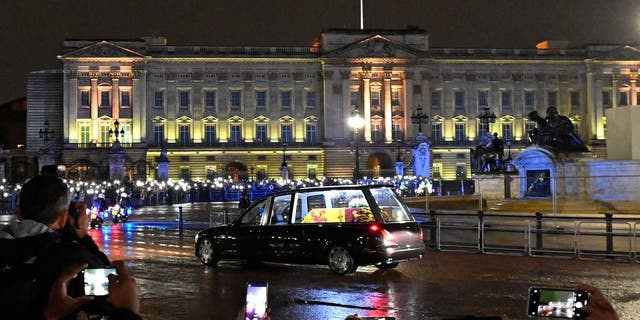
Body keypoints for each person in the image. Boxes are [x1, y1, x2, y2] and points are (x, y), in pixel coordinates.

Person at [0, 175, 140, 319]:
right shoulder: (73, 257)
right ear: (63, 218)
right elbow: (105, 293)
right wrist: (128, 310)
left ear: (18, 213)